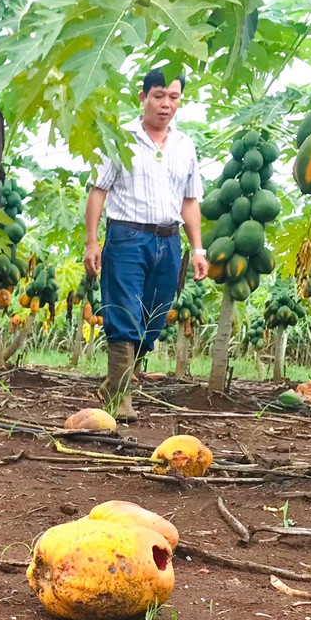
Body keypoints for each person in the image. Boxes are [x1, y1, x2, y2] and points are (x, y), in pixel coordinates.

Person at [83, 67, 208, 421]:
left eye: (173, 97)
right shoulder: (119, 138)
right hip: (126, 235)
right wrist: (92, 242)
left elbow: (190, 200)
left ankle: (113, 383)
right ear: (142, 97)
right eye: (158, 96)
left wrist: (197, 248)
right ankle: (121, 397)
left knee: (153, 316)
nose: (166, 104)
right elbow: (98, 190)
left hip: (168, 240)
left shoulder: (185, 146)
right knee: (123, 311)